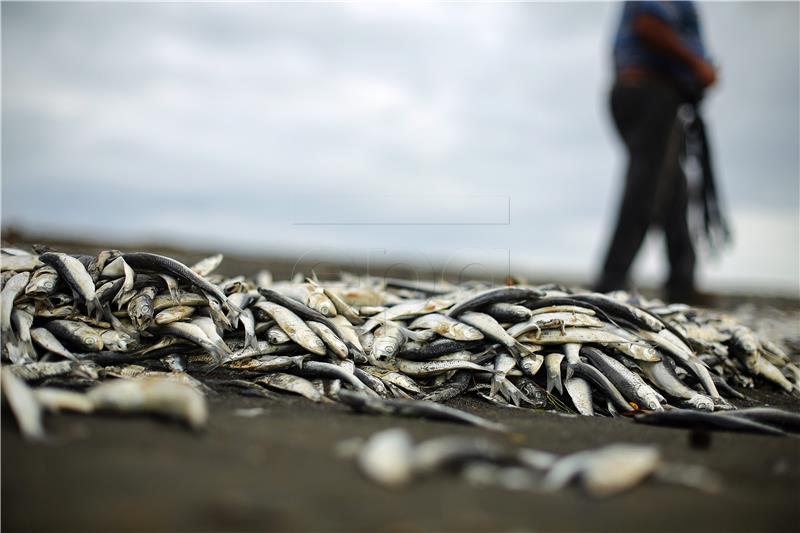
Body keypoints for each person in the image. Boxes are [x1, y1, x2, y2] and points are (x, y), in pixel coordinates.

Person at [595, 1, 723, 303]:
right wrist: (697, 64)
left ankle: (681, 283)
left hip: (658, 96)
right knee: (647, 187)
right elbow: (647, 25)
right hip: (650, 93)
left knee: (674, 190)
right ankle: (610, 282)